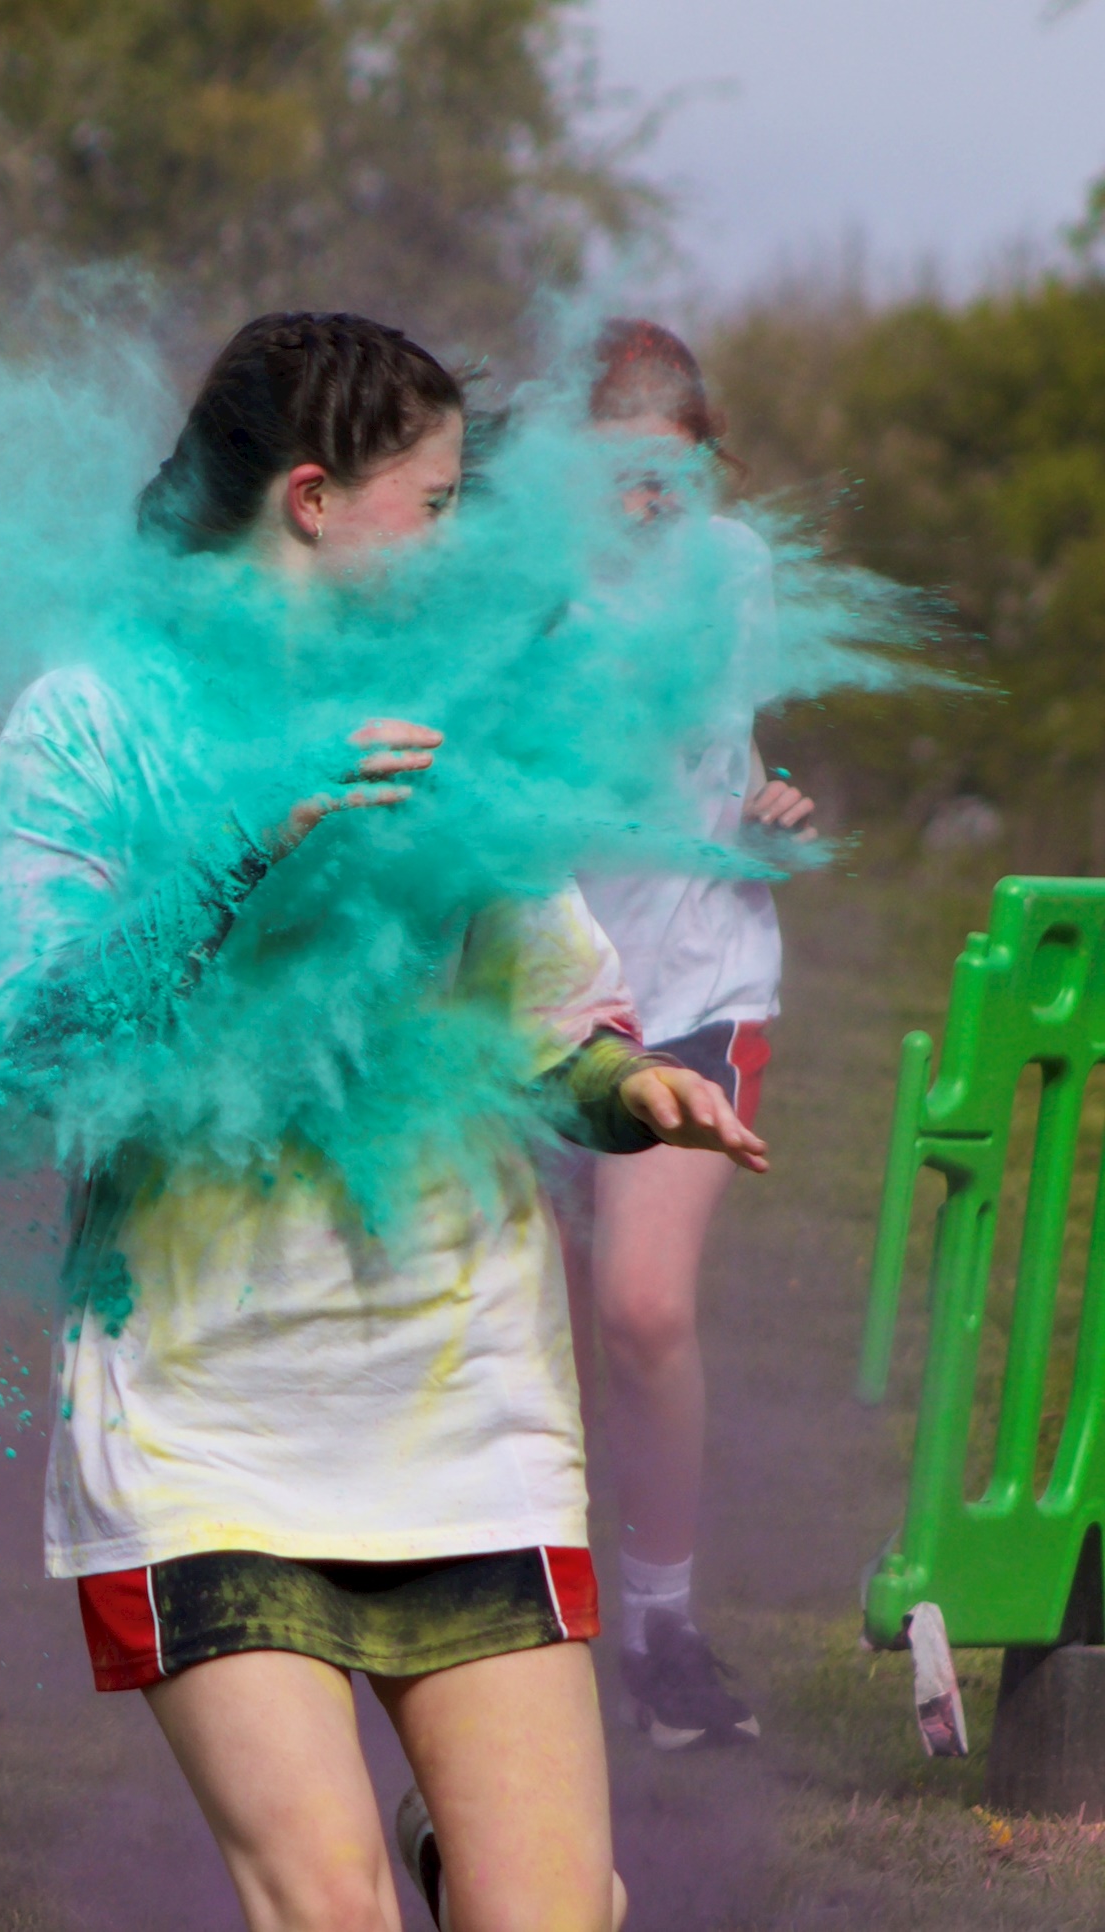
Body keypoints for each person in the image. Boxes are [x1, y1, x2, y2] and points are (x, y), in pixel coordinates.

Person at [0, 312, 768, 1932]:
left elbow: (544, 1011)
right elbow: (13, 1042)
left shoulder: (455, 722)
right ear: (314, 498)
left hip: (463, 1410)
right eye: (440, 501)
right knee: (330, 1908)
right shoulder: (97, 718)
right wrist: (244, 842)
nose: (470, 538)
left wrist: (619, 1088)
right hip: (203, 1417)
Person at [559, 318, 815, 1752]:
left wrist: (778, 796)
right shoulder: (520, 593)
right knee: (528, 1339)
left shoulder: (739, 572)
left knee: (644, 1309)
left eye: (672, 479)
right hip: (539, 997)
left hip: (708, 984)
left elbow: (739, 740)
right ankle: (517, 1631)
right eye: (619, 482)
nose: (649, 509)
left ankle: (661, 1635)